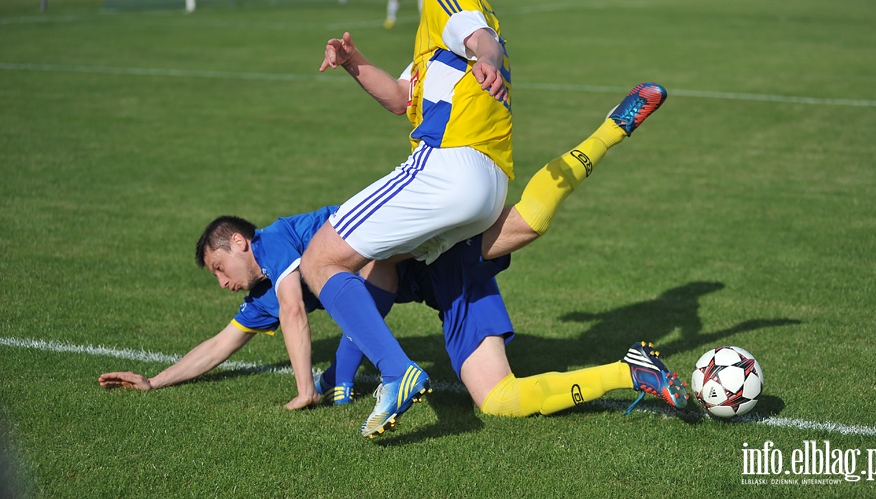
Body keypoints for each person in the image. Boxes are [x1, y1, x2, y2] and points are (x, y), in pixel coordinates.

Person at [99, 75, 677, 435]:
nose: (223, 283)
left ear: (241, 243)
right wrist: (154, 382)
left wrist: (315, 386)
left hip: (425, 242)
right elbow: (220, 344)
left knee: (503, 230)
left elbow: (321, 301)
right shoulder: (262, 293)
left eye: (220, 268)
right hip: (441, 278)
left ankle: (609, 130)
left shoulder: (278, 243)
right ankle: (631, 371)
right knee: (501, 399)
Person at [299, 0, 513, 439]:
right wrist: (355, 64)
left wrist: (486, 57)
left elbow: (477, 36)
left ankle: (396, 371)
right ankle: (343, 376)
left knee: (319, 260)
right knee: (381, 259)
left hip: (448, 166)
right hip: (490, 184)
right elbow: (401, 98)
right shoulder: (447, 41)